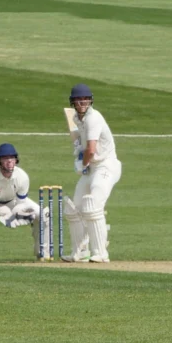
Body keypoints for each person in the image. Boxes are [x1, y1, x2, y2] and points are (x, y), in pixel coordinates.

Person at [64, 83, 121, 263]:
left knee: (93, 205)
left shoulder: (93, 118)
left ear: (90, 101)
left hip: (106, 165)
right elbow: (82, 145)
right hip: (92, 167)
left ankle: (101, 253)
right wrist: (79, 156)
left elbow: (91, 148)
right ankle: (80, 252)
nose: (82, 102)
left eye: (85, 99)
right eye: (78, 100)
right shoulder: (76, 118)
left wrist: (83, 164)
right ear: (73, 102)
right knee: (75, 208)